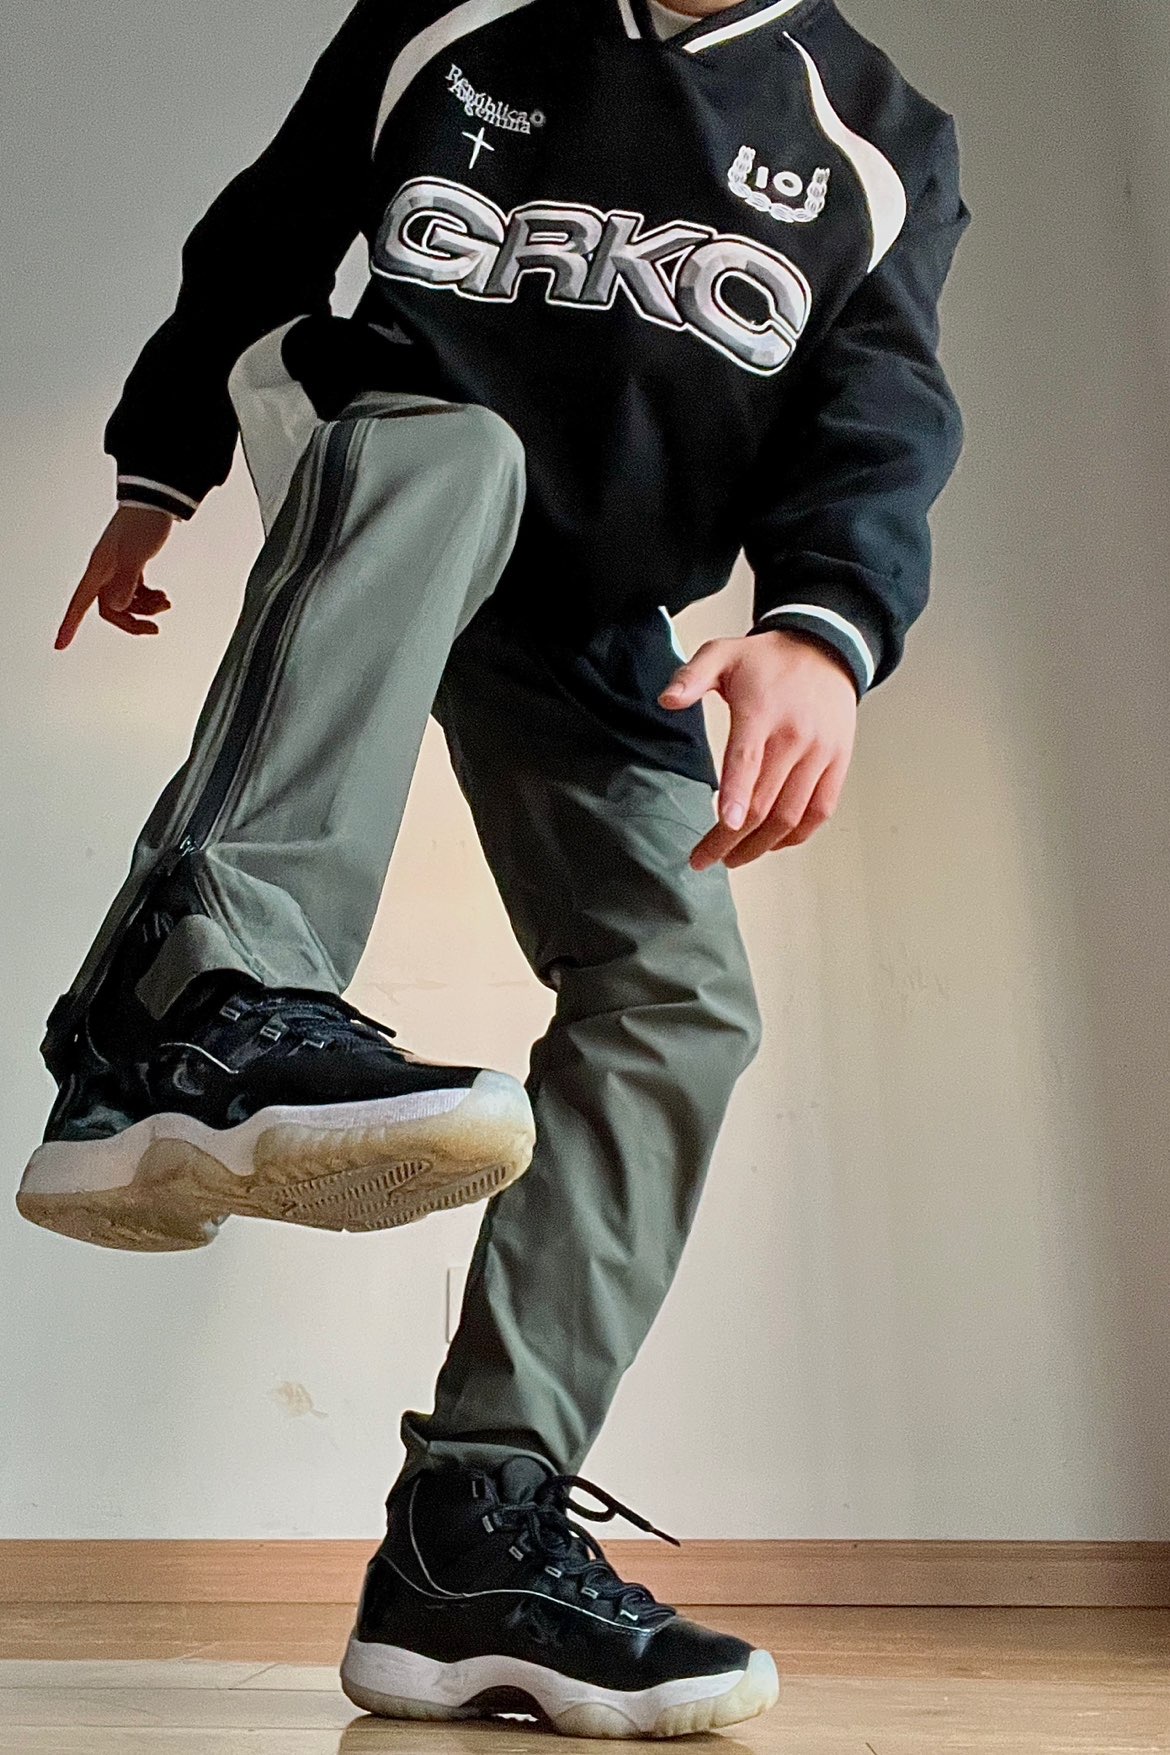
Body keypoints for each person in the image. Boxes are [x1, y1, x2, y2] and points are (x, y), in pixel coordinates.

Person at [17, 0, 970, 1736]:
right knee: (458, 449)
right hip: (382, 443)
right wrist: (161, 467)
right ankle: (183, 1009)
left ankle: (472, 1537)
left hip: (587, 611)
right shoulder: (455, 18)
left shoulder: (873, 135)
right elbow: (269, 223)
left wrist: (822, 626)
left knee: (681, 1001)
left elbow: (881, 406)